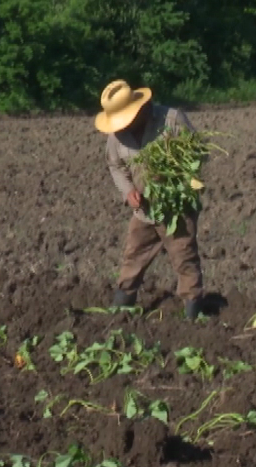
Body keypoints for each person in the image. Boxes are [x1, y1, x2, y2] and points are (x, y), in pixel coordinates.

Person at [94, 79, 204, 319]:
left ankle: (193, 315)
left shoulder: (172, 120)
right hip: (143, 210)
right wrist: (128, 191)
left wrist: (176, 179)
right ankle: (120, 310)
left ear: (141, 107)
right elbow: (116, 165)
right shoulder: (117, 136)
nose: (127, 126)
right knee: (133, 257)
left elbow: (197, 153)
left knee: (184, 257)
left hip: (176, 209)